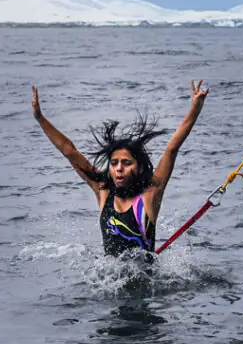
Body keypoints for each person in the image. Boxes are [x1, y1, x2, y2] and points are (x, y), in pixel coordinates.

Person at [31, 81, 208, 258]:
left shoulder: (150, 194)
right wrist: (40, 118)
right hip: (110, 281)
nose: (119, 169)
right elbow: (69, 150)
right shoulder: (103, 190)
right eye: (114, 163)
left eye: (126, 163)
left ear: (138, 167)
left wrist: (196, 107)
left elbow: (171, 149)